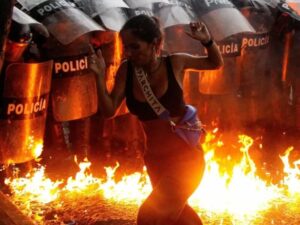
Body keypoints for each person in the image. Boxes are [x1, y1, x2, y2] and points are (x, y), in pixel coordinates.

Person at [89, 14, 223, 225]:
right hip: (155, 160)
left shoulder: (175, 63)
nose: (129, 53)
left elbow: (215, 63)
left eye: (135, 47)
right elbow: (109, 111)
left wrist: (207, 41)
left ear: (154, 44)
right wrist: (98, 76)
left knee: (149, 216)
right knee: (178, 218)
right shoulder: (127, 69)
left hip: (186, 159)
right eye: (126, 47)